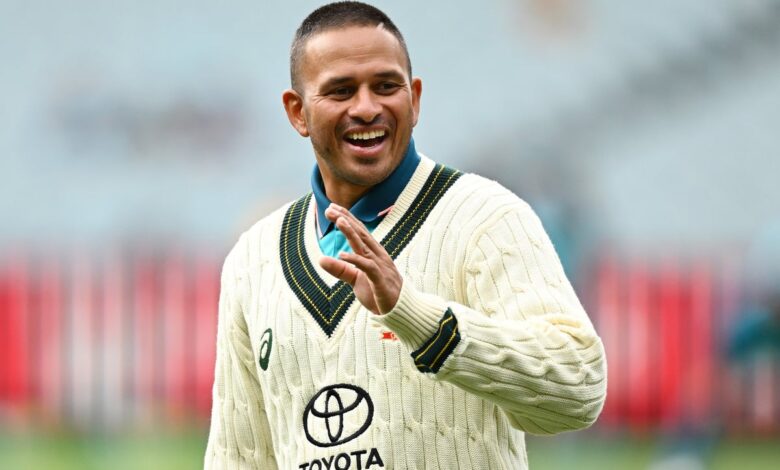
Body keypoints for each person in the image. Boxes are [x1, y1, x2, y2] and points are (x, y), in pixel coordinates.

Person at [204, 2, 606, 469]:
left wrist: (417, 318)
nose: (366, 108)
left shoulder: (486, 217)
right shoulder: (253, 259)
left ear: (414, 99)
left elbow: (579, 389)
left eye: (385, 86)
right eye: (340, 91)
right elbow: (238, 458)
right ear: (298, 112)